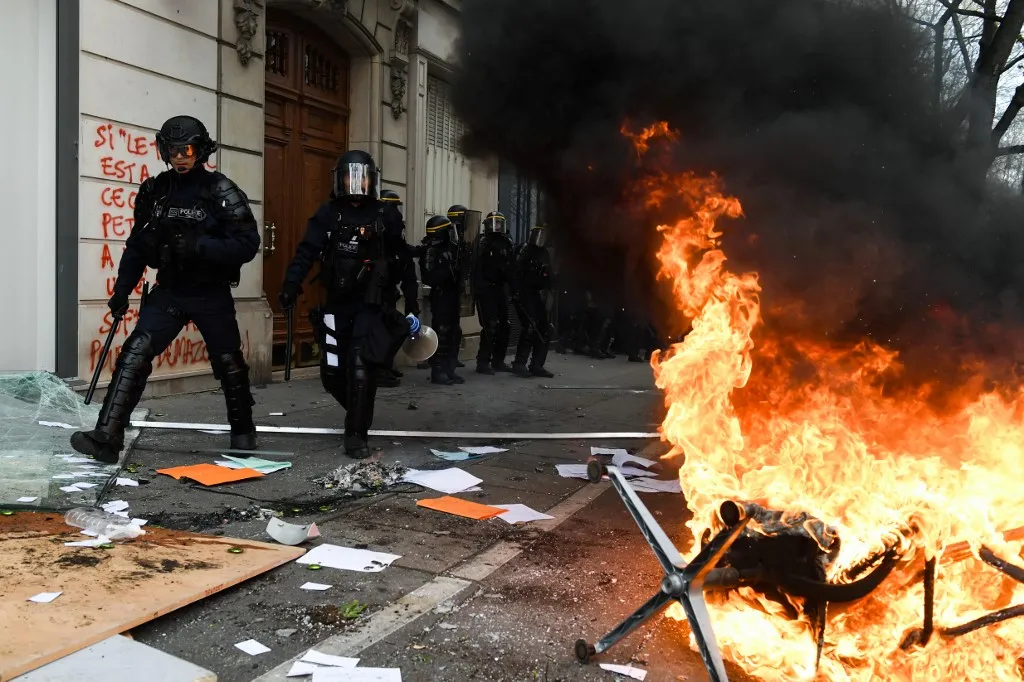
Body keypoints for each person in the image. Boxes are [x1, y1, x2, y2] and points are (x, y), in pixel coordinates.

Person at [70, 115, 261, 463]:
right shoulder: (155, 191)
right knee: (134, 353)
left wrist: (201, 247)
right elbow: (138, 245)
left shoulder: (221, 190)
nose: (180, 156)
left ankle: (243, 432)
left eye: (187, 149)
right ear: (164, 150)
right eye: (173, 150)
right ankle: (107, 437)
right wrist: (121, 291)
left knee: (228, 362)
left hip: (210, 293)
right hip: (170, 291)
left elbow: (249, 243)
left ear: (200, 150)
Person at [278, 150, 421, 459]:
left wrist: (409, 298)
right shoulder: (328, 214)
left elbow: (405, 260)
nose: (356, 183)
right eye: (349, 176)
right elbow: (306, 252)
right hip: (336, 304)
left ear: (372, 180)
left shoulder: (386, 216)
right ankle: (360, 411)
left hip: (370, 305)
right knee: (331, 375)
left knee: (360, 367)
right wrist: (292, 284)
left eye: (362, 177)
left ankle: (356, 433)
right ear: (340, 179)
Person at [376, 189, 420, 388]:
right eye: (394, 207)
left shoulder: (391, 234)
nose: (397, 213)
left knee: (393, 328)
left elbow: (401, 249)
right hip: (379, 290)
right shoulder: (380, 233)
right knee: (385, 329)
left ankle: (385, 365)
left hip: (388, 289)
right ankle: (380, 369)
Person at [419, 215, 464, 385]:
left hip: (453, 294)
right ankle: (438, 370)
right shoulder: (431, 250)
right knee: (442, 332)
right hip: (441, 295)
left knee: (455, 332)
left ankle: (449, 369)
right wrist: (448, 272)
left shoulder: (453, 248)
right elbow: (428, 277)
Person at [471, 211, 514, 374]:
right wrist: (478, 289)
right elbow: (476, 268)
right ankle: (483, 361)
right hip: (487, 288)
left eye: (499, 223)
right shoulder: (483, 242)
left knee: (505, 325)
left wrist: (514, 290)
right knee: (490, 325)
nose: (496, 227)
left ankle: (498, 360)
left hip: (500, 288)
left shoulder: (506, 243)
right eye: (493, 223)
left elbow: (511, 268)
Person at [511, 225, 555, 378]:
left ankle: (537, 365)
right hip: (525, 294)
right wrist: (515, 292)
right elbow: (515, 273)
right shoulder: (524, 251)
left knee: (546, 329)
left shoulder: (545, 254)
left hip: (538, 294)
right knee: (530, 327)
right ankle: (519, 363)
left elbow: (548, 275)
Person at [446, 204, 472, 372]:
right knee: (445, 328)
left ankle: (452, 360)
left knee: (455, 328)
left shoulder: (462, 242)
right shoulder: (447, 240)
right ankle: (441, 362)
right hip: (445, 291)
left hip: (456, 289)